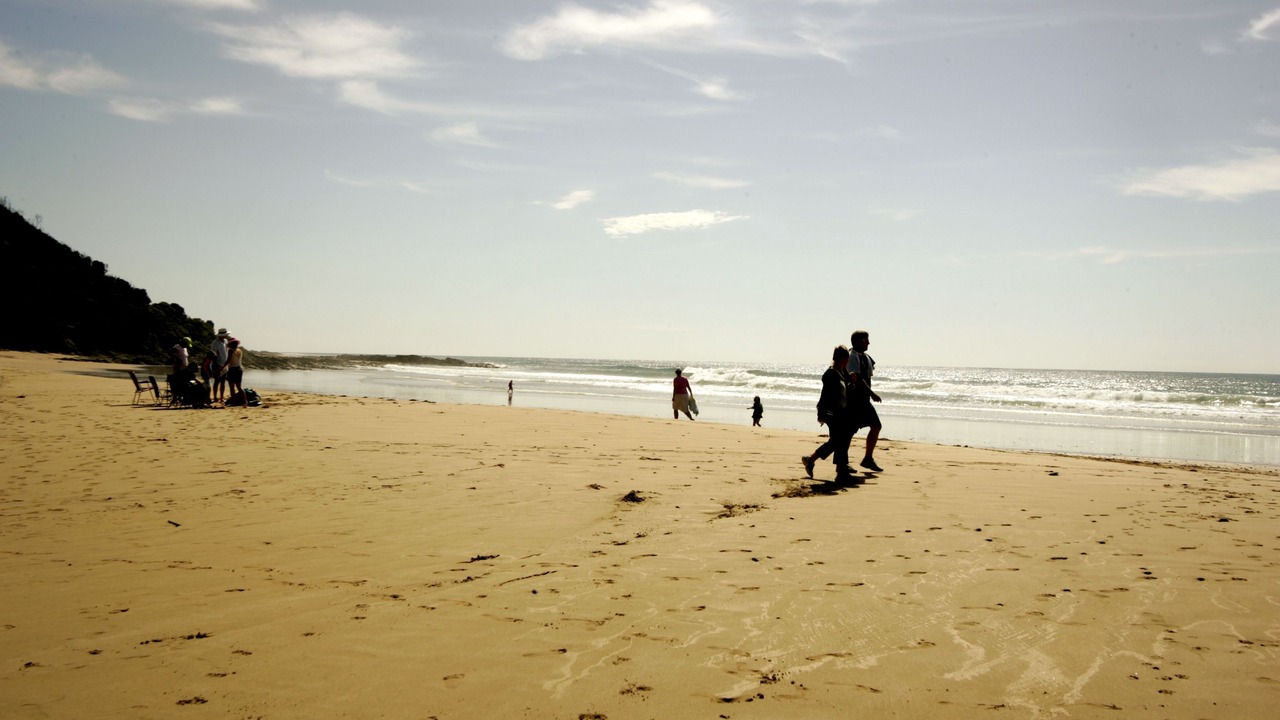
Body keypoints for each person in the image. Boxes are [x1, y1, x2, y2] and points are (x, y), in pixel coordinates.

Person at [802, 346, 855, 480]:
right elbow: (826, 395)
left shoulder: (840, 372)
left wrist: (851, 380)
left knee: (838, 440)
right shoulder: (831, 374)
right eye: (847, 359)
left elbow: (847, 389)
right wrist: (823, 413)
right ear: (843, 359)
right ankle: (840, 470)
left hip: (838, 412)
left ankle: (813, 460)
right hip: (832, 412)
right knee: (839, 440)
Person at [849, 330, 884, 472]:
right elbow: (858, 379)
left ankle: (868, 458)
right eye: (865, 340)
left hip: (864, 400)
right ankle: (842, 463)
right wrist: (872, 393)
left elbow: (867, 376)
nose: (868, 343)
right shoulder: (852, 356)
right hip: (854, 400)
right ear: (857, 341)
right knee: (848, 432)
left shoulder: (867, 357)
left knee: (876, 426)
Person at [211, 328, 230, 404]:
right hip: (218, 364)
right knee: (217, 381)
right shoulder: (215, 343)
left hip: (224, 365)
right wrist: (216, 365)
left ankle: (221, 397)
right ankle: (215, 397)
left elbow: (226, 352)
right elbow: (214, 355)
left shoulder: (225, 341)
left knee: (223, 382)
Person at [225, 339, 245, 404]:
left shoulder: (230, 350)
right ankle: (245, 401)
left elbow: (228, 360)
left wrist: (222, 367)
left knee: (232, 387)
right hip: (239, 369)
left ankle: (233, 401)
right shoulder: (239, 351)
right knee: (239, 387)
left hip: (232, 369)